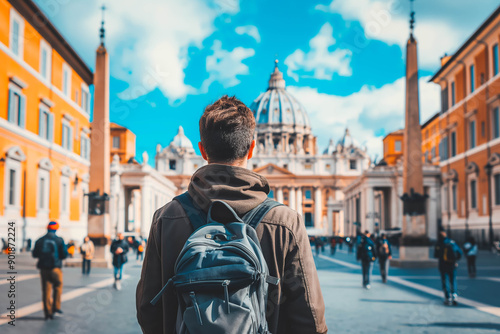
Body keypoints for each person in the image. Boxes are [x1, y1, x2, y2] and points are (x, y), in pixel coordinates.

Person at [136, 96, 327, 334]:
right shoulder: (286, 221)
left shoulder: (166, 217)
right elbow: (309, 315)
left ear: (202, 150)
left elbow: (147, 308)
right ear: (252, 147)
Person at [32, 221, 68, 320]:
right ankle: (56, 307)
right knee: (58, 287)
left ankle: (47, 312)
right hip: (55, 268)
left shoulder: (40, 240)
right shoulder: (59, 240)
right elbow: (64, 254)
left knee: (46, 290)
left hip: (44, 269)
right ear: (56, 229)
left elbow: (35, 254)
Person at [434, 231, 463, 305]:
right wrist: (455, 260)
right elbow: (460, 252)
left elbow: (436, 255)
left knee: (445, 281)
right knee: (453, 281)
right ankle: (454, 296)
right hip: (452, 265)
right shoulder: (451, 242)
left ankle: (447, 298)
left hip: (443, 265)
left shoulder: (439, 243)